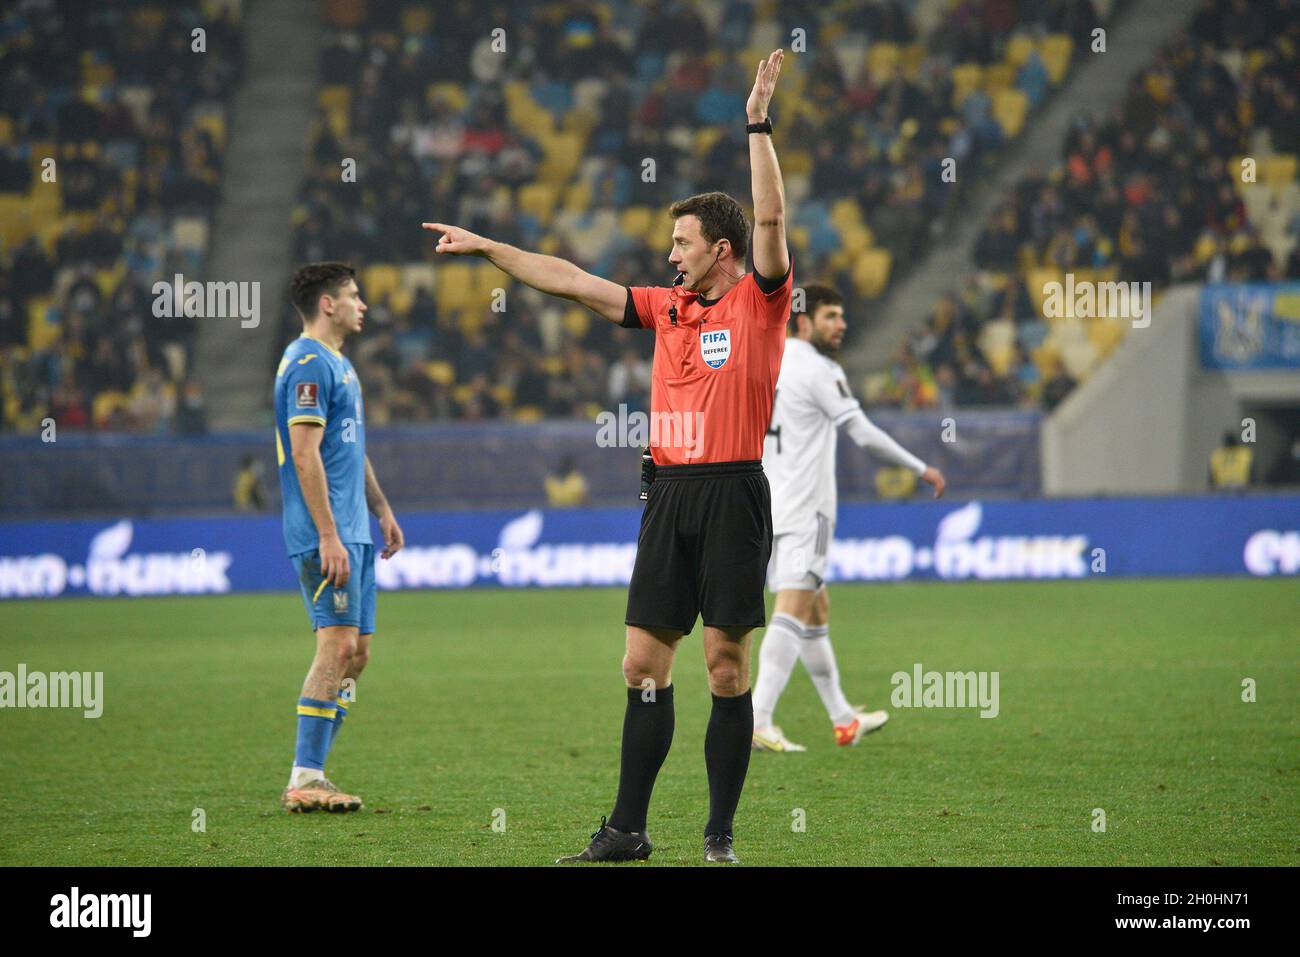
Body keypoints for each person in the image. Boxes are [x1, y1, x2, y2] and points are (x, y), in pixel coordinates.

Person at [424, 49, 792, 863]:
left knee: (726, 667)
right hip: (667, 496)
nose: (671, 255)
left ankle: (720, 836)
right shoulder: (664, 310)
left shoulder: (760, 300)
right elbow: (572, 280)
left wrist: (757, 122)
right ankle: (626, 830)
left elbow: (769, 220)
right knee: (640, 664)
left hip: (733, 493)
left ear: (721, 250)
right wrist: (491, 247)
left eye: (684, 242)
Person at [754, 284, 945, 752]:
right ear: (804, 321)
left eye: (841, 317)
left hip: (767, 504)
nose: (841, 325)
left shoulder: (767, 360)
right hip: (806, 510)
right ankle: (757, 718)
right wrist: (920, 467)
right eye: (831, 316)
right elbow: (861, 432)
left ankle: (843, 718)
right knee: (793, 609)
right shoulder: (819, 369)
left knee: (816, 606)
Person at [274, 262, 404, 813]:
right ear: (328, 304)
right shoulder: (307, 361)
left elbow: (348, 448)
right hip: (325, 531)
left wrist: (381, 508)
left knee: (359, 653)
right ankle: (306, 776)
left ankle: (313, 772)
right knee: (337, 645)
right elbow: (304, 453)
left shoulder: (339, 364)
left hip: (353, 529)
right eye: (354, 296)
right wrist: (328, 534)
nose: (363, 305)